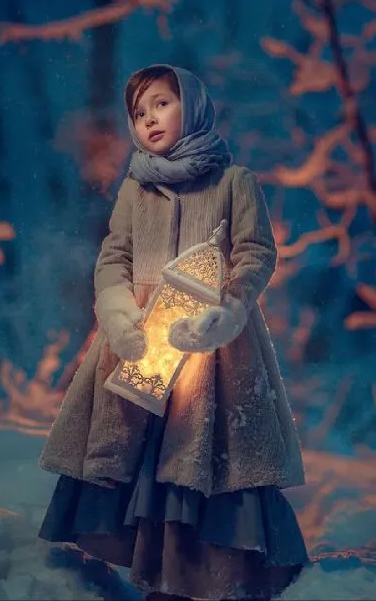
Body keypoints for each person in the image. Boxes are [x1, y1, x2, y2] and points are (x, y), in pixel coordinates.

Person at [38, 63, 309, 601]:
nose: (149, 119)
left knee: (203, 452)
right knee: (136, 452)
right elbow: (113, 257)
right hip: (142, 342)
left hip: (212, 343)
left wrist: (227, 310)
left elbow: (255, 253)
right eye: (139, 113)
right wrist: (118, 313)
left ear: (195, 105)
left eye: (162, 102)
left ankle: (213, 573)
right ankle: (142, 569)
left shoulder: (235, 182)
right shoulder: (137, 191)